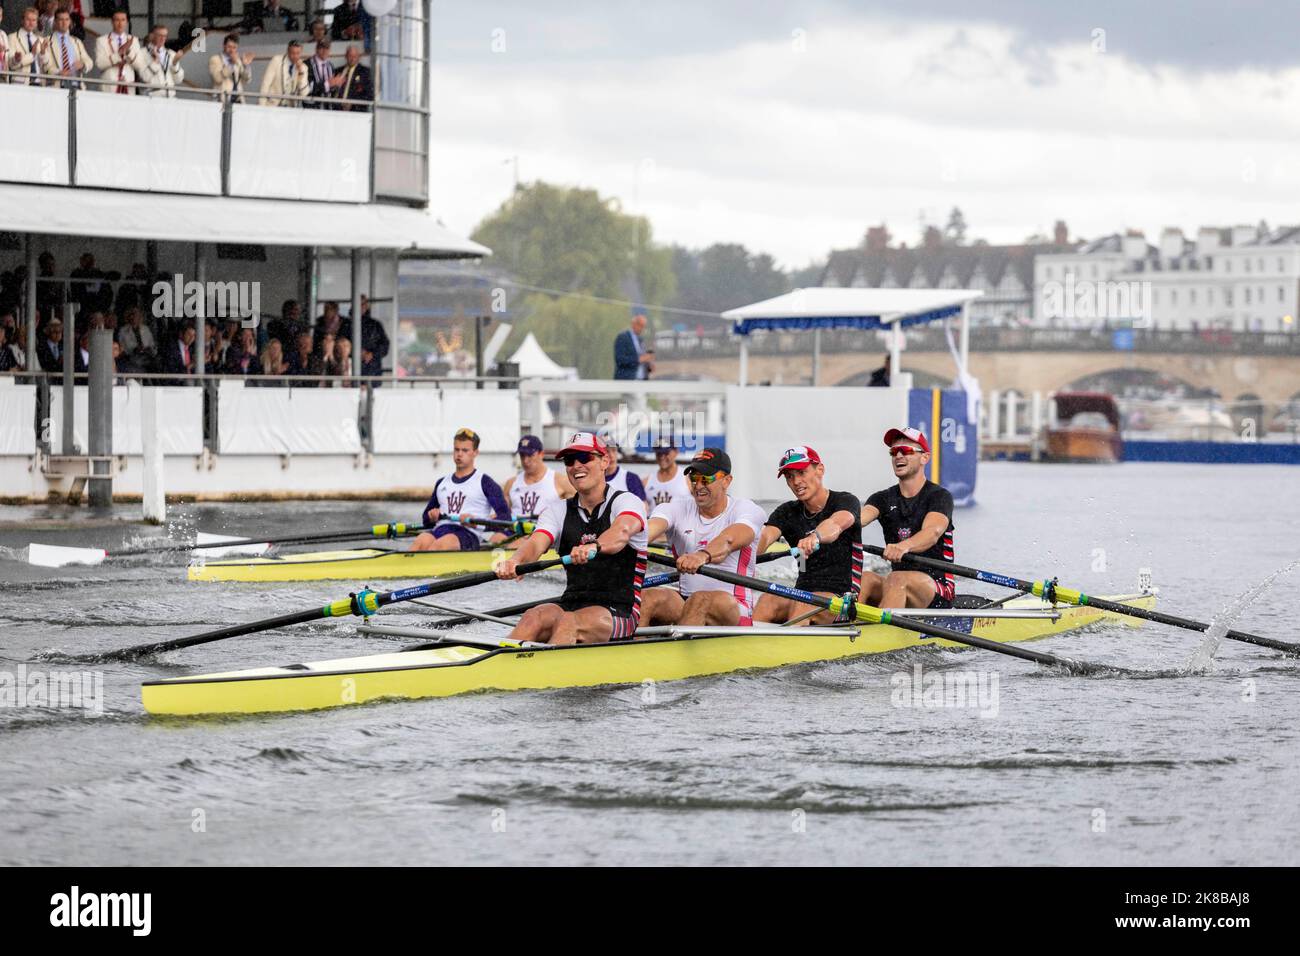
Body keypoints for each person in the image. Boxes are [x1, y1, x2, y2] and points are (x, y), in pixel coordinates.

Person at [494, 432, 648, 645]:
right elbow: (536, 543)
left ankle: (543, 674)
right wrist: (516, 560)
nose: (576, 465)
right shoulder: (557, 511)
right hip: (572, 604)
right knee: (533, 616)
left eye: (585, 458)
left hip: (620, 611)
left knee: (569, 622)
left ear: (605, 461)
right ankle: (498, 667)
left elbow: (621, 533)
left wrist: (595, 546)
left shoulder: (627, 501)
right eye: (569, 460)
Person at [639, 448, 767, 627]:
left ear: (727, 481)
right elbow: (648, 531)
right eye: (694, 479)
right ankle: (629, 650)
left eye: (706, 479)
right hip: (686, 602)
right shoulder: (676, 508)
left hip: (735, 608)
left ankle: (677, 653)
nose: (698, 486)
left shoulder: (746, 510)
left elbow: (729, 540)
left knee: (700, 599)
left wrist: (702, 555)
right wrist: (620, 544)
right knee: (649, 597)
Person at [753, 446, 862, 625]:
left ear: (820, 470)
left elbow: (836, 523)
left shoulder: (845, 501)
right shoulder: (786, 512)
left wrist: (815, 536)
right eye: (790, 476)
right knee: (767, 600)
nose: (796, 481)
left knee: (804, 604)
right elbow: (763, 539)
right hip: (803, 594)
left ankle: (786, 650)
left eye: (802, 472)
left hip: (844, 600)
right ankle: (746, 646)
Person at [859, 427, 955, 609]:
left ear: (924, 457)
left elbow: (932, 532)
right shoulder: (882, 498)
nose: (898, 456)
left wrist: (904, 546)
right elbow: (856, 521)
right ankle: (845, 629)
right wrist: (816, 534)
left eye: (907, 451)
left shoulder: (939, 497)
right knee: (866, 578)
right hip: (897, 586)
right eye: (894, 451)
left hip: (937, 588)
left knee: (896, 578)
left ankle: (880, 634)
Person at [410, 427, 512, 552]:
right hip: (440, 529)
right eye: (456, 449)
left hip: (468, 533)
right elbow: (426, 519)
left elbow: (505, 518)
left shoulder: (486, 483)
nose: (459, 454)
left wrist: (477, 523)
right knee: (421, 540)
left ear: (475, 453)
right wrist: (431, 516)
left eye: (465, 450)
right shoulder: (442, 483)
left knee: (441, 544)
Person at [502, 434, 574, 523]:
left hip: (545, 531)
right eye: (522, 455)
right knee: (496, 537)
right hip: (515, 531)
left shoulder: (561, 481)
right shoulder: (510, 483)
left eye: (530, 455)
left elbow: (576, 513)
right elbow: (502, 514)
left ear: (541, 454)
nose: (525, 460)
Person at [93, 10, 144, 94]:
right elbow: (100, 64)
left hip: (128, 86)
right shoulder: (102, 40)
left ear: (127, 22)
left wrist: (128, 52)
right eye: (117, 20)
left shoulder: (133, 40)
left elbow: (139, 65)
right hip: (109, 86)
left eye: (123, 20)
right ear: (112, 22)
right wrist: (118, 55)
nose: (120, 23)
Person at [41, 8, 92, 89]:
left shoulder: (77, 41)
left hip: (76, 85)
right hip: (56, 85)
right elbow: (45, 66)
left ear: (70, 21)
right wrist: (59, 72)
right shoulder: (46, 41)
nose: (64, 23)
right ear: (55, 22)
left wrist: (83, 64)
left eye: (67, 19)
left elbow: (89, 62)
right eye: (61, 19)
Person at [643, 437, 689, 509]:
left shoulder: (688, 479)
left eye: (666, 453)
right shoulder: (646, 482)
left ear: (676, 452)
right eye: (659, 453)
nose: (662, 457)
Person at [260, 39, 309, 107]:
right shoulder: (276, 60)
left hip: (290, 108)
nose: (295, 56)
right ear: (288, 52)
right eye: (293, 53)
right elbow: (265, 84)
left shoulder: (304, 68)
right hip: (272, 106)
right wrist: (261, 107)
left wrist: (301, 73)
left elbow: (304, 94)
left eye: (298, 53)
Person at [9, 8, 49, 86]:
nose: (31, 23)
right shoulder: (12, 38)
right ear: (22, 20)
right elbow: (11, 65)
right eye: (28, 19)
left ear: (37, 23)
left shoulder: (41, 40)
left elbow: (46, 65)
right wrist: (32, 54)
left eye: (34, 20)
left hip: (39, 84)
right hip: (20, 84)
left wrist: (43, 52)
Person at [140, 24, 183, 97]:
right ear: (152, 36)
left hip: (170, 97)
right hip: (151, 98)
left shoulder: (171, 54)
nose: (163, 38)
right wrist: (155, 62)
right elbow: (144, 78)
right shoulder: (142, 53)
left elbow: (178, 80)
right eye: (159, 35)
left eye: (165, 36)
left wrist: (175, 64)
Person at [209, 33, 253, 103]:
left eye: (234, 47)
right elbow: (217, 78)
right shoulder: (215, 59)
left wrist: (246, 66)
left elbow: (246, 80)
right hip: (222, 99)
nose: (232, 50)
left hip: (238, 99)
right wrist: (231, 64)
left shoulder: (238, 60)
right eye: (229, 47)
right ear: (224, 46)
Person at [613, 312, 654, 380]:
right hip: (627, 381)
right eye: (640, 325)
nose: (642, 328)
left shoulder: (640, 339)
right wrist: (638, 360)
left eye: (644, 326)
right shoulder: (623, 337)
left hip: (642, 382)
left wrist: (649, 367)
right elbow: (620, 360)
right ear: (633, 324)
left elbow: (642, 360)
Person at [331, 43, 371, 110]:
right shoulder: (337, 71)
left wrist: (352, 103)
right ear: (346, 56)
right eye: (350, 56)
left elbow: (369, 95)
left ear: (359, 57)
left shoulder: (365, 72)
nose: (352, 59)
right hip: (336, 109)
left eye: (355, 56)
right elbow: (331, 90)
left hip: (356, 110)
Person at [304, 38, 333, 106]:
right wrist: (327, 84)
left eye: (327, 48)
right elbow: (307, 87)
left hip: (327, 107)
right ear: (316, 49)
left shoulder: (330, 66)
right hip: (311, 105)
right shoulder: (306, 65)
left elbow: (331, 88)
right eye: (321, 48)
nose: (324, 51)